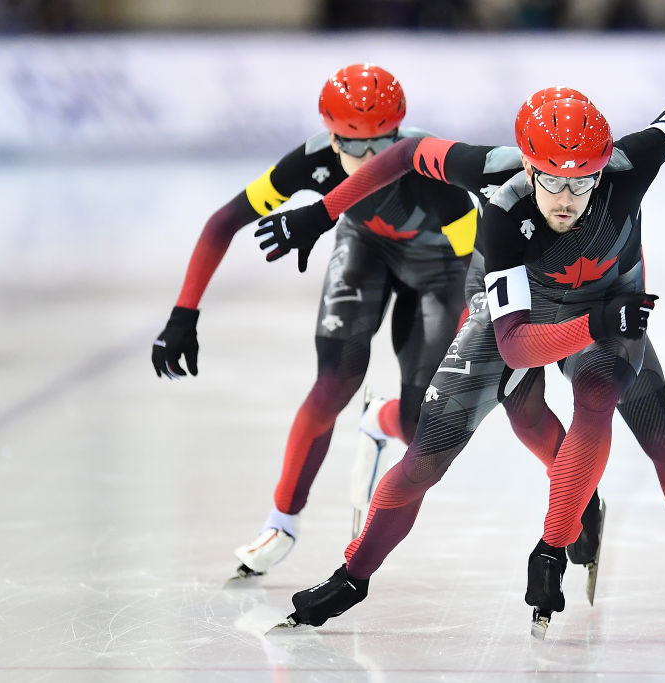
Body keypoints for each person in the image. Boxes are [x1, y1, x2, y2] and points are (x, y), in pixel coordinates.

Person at [257, 42, 665, 633]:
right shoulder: (501, 198)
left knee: (635, 416)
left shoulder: (633, 165)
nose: (566, 199)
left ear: (603, 165)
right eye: (551, 182)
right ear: (527, 165)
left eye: (583, 183)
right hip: (530, 318)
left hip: (608, 308)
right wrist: (324, 211)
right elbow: (512, 346)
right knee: (428, 459)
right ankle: (351, 579)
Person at [151, 63, 480, 580]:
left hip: (440, 270)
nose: (372, 161)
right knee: (332, 383)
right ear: (330, 136)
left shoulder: (429, 171)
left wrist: (481, 336)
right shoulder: (311, 163)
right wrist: (182, 314)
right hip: (365, 252)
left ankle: (382, 419)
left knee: (422, 429)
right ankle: (281, 521)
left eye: (383, 144)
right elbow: (224, 221)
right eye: (354, 146)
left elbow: (475, 267)